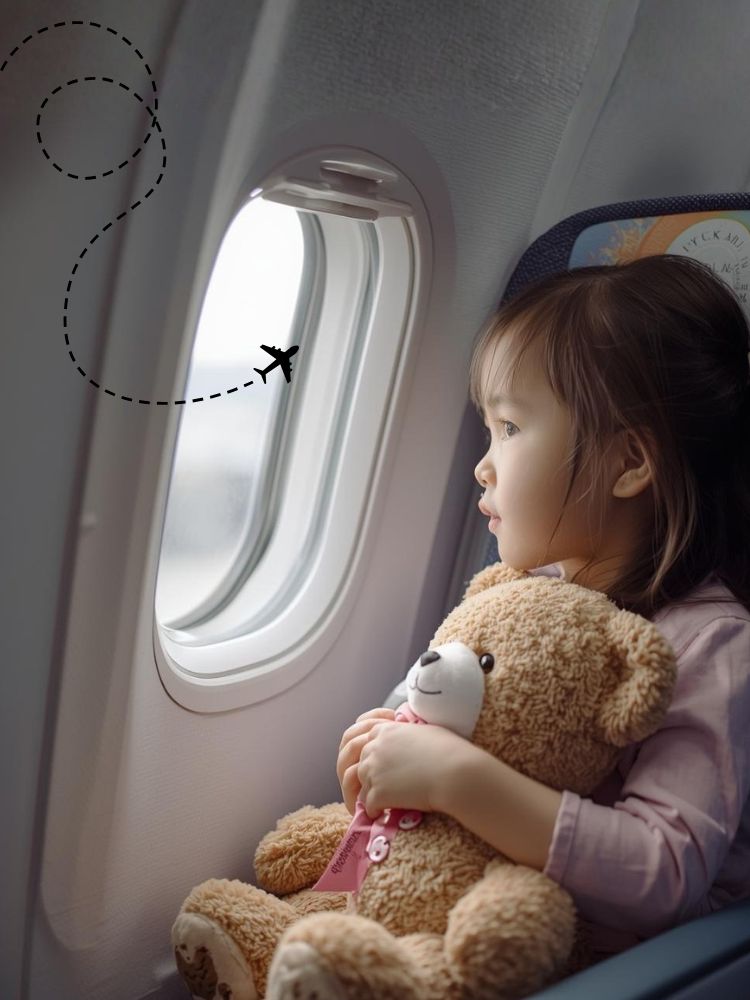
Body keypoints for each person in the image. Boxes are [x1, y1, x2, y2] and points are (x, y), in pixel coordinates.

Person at [335, 253, 750, 964]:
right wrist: (382, 745)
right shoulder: (526, 598)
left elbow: (666, 873)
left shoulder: (711, 645)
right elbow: (442, 711)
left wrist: (454, 779)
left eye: (511, 428)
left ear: (627, 465)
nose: (483, 463)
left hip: (638, 965)